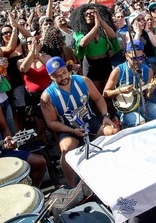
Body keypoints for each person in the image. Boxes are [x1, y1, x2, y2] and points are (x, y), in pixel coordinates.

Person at [40, 56, 118, 187]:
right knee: (66, 152)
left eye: (64, 72)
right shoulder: (47, 96)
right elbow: (51, 122)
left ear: (68, 69)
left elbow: (98, 98)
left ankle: (116, 169)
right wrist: (71, 130)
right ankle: (72, 188)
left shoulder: (83, 81)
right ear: (50, 77)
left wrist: (105, 115)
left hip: (91, 120)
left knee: (113, 131)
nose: (62, 77)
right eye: (57, 76)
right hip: (69, 128)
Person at [103, 40, 156, 128]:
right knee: (141, 123)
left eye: (141, 58)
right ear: (126, 56)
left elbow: (148, 97)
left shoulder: (148, 71)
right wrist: (120, 91)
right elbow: (105, 93)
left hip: (143, 104)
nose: (138, 61)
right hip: (126, 110)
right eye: (134, 58)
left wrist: (150, 91)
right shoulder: (118, 71)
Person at [0, 101, 46, 187]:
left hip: (3, 154)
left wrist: (9, 140)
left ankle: (29, 194)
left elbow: (4, 127)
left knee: (40, 162)